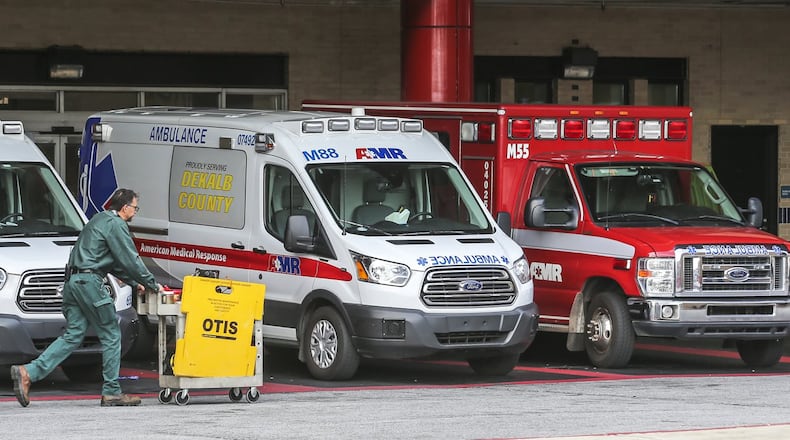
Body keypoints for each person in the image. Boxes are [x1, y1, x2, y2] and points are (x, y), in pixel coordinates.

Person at [10, 188, 162, 407]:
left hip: (72, 283)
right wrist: (152, 284)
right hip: (90, 284)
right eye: (135, 207)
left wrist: (133, 283)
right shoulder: (116, 224)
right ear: (125, 207)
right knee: (111, 334)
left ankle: (28, 372)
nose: (135, 212)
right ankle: (111, 391)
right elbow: (130, 260)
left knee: (72, 335)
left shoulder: (98, 220)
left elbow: (109, 262)